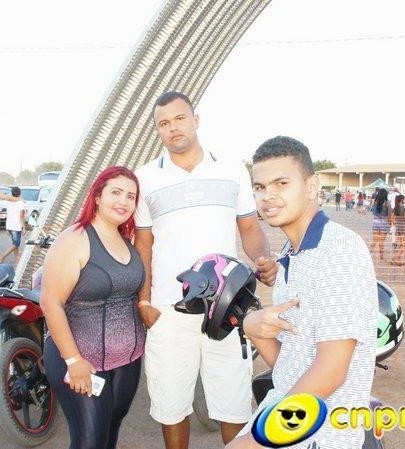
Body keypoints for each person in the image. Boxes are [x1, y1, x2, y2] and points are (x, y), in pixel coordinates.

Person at [133, 91, 276, 449]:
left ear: (196, 120)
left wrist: (262, 258)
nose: (173, 128)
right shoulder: (145, 177)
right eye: (163, 123)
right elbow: (143, 245)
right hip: (168, 310)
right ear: (158, 131)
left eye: (180, 118)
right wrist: (144, 301)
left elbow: (249, 229)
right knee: (171, 406)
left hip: (226, 306)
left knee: (233, 403)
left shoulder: (231, 168)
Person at [227, 136, 377, 449]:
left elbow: (330, 373)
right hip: (285, 413)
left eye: (281, 183)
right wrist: (252, 329)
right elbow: (290, 364)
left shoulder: (339, 251)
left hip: (322, 435)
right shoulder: (290, 253)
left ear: (311, 186)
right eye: (260, 187)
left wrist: (258, 440)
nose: (268, 196)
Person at [40, 166, 145, 449]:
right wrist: (73, 360)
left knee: (110, 431)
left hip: (128, 360)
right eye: (116, 193)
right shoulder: (74, 238)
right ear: (97, 197)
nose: (123, 201)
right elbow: (51, 302)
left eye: (131, 196)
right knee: (90, 441)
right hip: (80, 359)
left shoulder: (125, 240)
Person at [0, 186, 27, 263]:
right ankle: (2, 257)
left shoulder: (9, 202)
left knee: (15, 244)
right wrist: (24, 227)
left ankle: (17, 260)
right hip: (16, 226)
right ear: (20, 193)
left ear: (12, 194)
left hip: (9, 225)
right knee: (16, 244)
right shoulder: (21, 202)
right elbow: (21, 216)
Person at [369, 188, 390, 262]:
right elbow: (389, 215)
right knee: (381, 241)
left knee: (374, 240)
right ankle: (381, 257)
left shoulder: (375, 202)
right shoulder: (387, 203)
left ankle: (367, 254)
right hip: (384, 223)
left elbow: (372, 212)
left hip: (375, 223)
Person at [390, 194, 405, 266]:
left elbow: (392, 218)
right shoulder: (404, 208)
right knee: (404, 244)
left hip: (398, 227)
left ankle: (399, 259)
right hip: (403, 227)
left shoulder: (395, 208)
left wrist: (395, 222)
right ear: (402, 200)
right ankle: (397, 258)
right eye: (404, 199)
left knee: (401, 243)